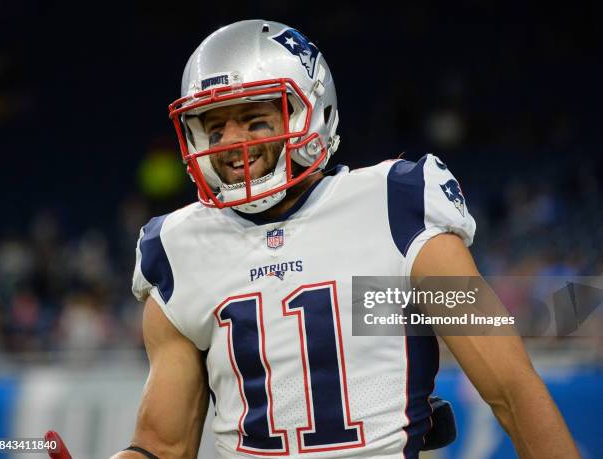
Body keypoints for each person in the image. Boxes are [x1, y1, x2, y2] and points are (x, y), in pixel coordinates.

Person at [111, 20, 579, 458]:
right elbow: (160, 446)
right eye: (215, 127)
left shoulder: (397, 205)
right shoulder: (179, 247)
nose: (232, 143)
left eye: (255, 122)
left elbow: (512, 389)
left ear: (309, 115)